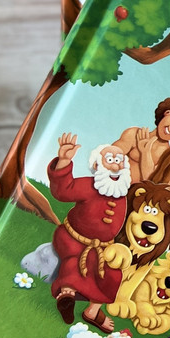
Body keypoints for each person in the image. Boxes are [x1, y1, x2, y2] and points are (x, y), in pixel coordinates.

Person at [47, 134, 132, 327]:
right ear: (97, 165)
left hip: (103, 246)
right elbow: (63, 191)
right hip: (74, 238)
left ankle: (92, 311)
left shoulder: (122, 192)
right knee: (74, 261)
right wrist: (64, 161)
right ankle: (66, 295)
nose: (115, 163)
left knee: (112, 273)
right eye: (109, 159)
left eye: (119, 160)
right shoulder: (89, 185)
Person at [113, 96, 170, 183]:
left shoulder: (168, 155)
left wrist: (145, 153)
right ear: (167, 113)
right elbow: (108, 157)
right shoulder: (133, 134)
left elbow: (151, 183)